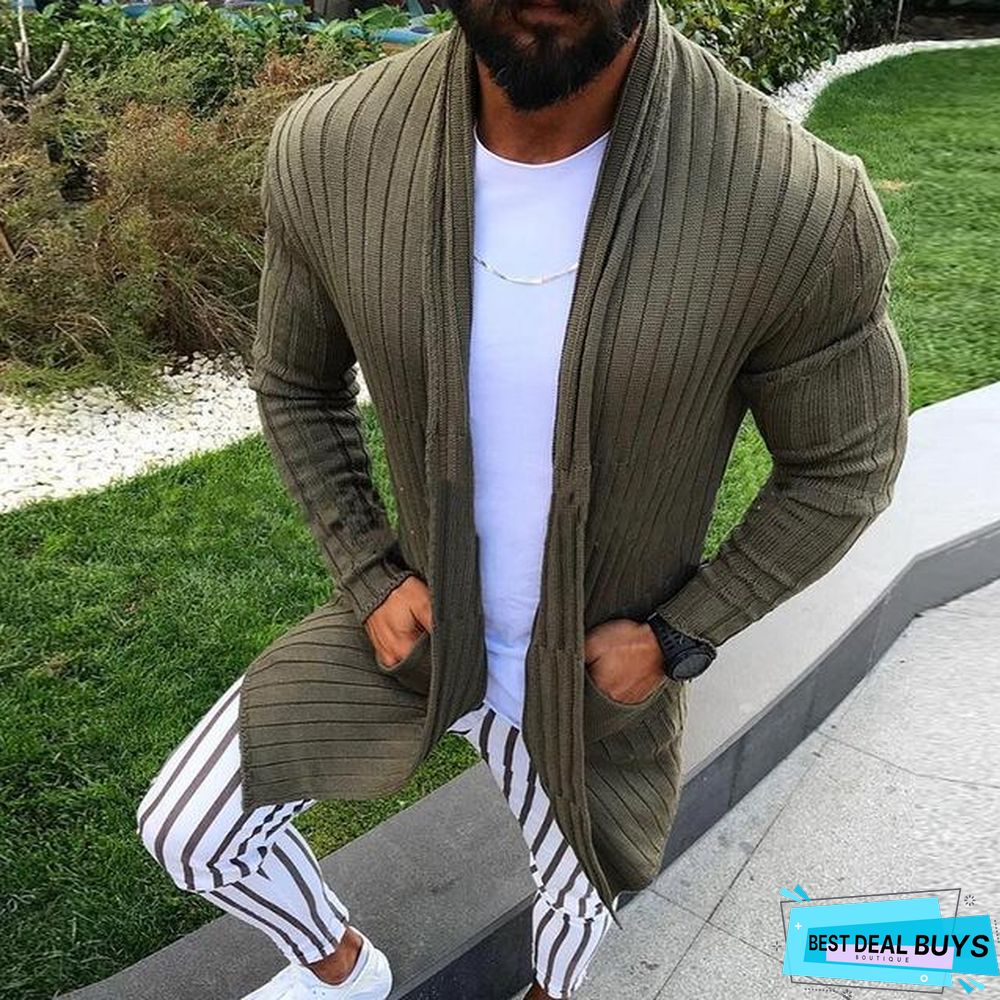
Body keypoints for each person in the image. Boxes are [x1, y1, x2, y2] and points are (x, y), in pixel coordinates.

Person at [136, 0, 910, 995]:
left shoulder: (795, 204)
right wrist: (368, 572)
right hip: (420, 634)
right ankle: (342, 969)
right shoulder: (332, 147)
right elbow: (294, 382)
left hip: (594, 677)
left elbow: (844, 467)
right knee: (188, 828)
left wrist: (679, 636)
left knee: (580, 899)